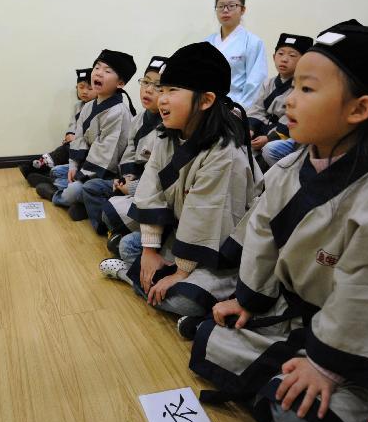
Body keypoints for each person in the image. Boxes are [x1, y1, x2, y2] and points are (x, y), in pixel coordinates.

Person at [188, 21, 368, 422]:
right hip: (302, 317)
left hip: (365, 340)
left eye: (307, 90)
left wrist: (327, 367)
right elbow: (260, 237)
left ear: (359, 109)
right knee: (211, 335)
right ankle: (281, 381)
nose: (289, 99)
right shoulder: (294, 166)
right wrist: (248, 300)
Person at [98, 42, 257, 319]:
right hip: (180, 230)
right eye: (163, 89)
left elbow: (207, 216)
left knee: (187, 300)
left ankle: (130, 275)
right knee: (130, 244)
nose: (162, 98)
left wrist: (180, 272)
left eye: (173, 91)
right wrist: (149, 249)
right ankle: (151, 275)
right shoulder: (167, 133)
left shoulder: (224, 153)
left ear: (206, 100)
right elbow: (150, 190)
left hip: (216, 247)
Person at [35, 50, 135, 221]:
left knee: (74, 189)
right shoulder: (88, 106)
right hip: (88, 166)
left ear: (120, 83)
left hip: (107, 172)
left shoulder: (118, 112)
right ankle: (77, 198)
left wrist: (79, 176)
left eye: (107, 71)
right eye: (97, 67)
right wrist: (74, 166)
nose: (98, 73)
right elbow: (79, 138)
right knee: (60, 171)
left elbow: (105, 156)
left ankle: (58, 196)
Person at [81, 56, 165, 239]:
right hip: (131, 178)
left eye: (157, 86)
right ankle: (107, 228)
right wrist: (127, 176)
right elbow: (129, 151)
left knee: (88, 194)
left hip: (149, 188)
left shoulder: (169, 126)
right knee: (90, 188)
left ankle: (111, 226)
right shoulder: (139, 119)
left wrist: (133, 186)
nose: (148, 90)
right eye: (146, 82)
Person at [19, 68, 97, 186]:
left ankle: (40, 168)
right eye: (81, 87)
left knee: (66, 150)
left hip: (87, 147)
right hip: (76, 143)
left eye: (90, 88)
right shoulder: (78, 106)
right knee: (66, 148)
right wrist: (70, 134)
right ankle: (45, 171)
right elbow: (73, 124)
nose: (84, 91)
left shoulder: (97, 107)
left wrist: (76, 138)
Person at [248, 33, 313, 169]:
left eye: (292, 55)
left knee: (271, 149)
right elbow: (257, 108)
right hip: (264, 128)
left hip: (287, 134)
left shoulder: (303, 87)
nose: (284, 59)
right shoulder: (268, 83)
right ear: (273, 57)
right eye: (281, 54)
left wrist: (269, 138)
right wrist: (251, 129)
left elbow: (291, 117)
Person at [203, 0, 268, 110]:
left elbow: (255, 82)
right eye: (221, 6)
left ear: (242, 9)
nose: (225, 10)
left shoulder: (253, 42)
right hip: (207, 105)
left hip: (235, 107)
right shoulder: (207, 42)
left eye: (231, 6)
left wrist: (240, 110)